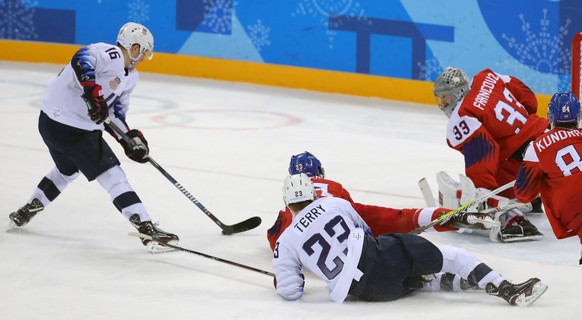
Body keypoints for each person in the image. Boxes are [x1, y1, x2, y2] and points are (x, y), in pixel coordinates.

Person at [7, 22, 179, 251]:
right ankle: (146, 229)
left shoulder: (131, 78)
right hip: (72, 128)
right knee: (114, 176)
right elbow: (81, 60)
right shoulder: (112, 54)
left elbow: (114, 114)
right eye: (143, 51)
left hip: (51, 125)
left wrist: (129, 139)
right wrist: (92, 92)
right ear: (135, 48)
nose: (143, 57)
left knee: (67, 170)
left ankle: (27, 209)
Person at [272, 173, 548, 306]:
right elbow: (368, 233)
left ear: (287, 202)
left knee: (419, 280)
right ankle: (507, 290)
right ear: (313, 192)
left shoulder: (285, 241)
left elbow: (290, 291)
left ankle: (457, 280)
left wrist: (295, 275)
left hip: (368, 293)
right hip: (378, 259)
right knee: (454, 256)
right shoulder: (333, 203)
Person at [267, 151, 498, 251]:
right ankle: (455, 216)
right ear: (319, 170)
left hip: (318, 245)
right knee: (404, 217)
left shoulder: (290, 200)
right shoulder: (333, 186)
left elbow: (274, 238)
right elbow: (353, 213)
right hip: (344, 212)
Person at [433, 67, 548, 241]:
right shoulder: (487, 77)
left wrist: (483, 192)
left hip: (528, 162)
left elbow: (484, 149)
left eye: (446, 97)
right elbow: (528, 97)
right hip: (548, 136)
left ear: (458, 92)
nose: (444, 103)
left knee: (491, 184)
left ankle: (512, 219)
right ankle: (530, 196)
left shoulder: (462, 115)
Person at [514, 92, 582, 263]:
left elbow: (524, 195)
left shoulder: (537, 146)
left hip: (574, 211)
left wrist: (539, 176)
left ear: (550, 116)